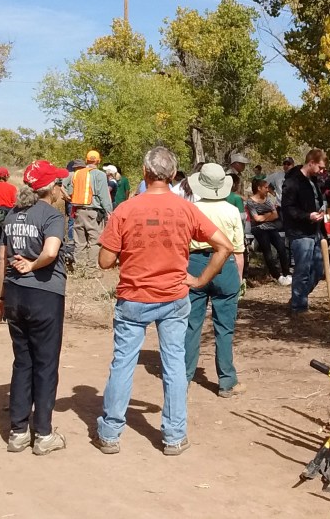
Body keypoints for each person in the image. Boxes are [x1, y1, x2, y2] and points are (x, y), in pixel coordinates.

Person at [94, 147, 233, 456]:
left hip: (133, 297)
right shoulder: (185, 209)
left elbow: (104, 261)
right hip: (173, 296)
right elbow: (224, 245)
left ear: (145, 173)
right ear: (173, 176)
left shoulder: (127, 209)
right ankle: (173, 435)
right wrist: (199, 280)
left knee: (123, 363)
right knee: (173, 364)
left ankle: (110, 432)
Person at [0, 160, 70, 455]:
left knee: (22, 361)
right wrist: (33, 264)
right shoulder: (51, 216)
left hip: (14, 296)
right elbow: (51, 252)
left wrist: (2, 296)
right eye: (58, 183)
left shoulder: (12, 215)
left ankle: (17, 431)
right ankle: (43, 434)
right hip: (44, 297)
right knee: (46, 364)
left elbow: (1, 258)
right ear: (50, 187)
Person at [184, 164, 246, 397]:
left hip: (195, 263)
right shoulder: (231, 210)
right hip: (225, 265)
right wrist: (237, 278)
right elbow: (237, 249)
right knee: (224, 328)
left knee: (191, 325)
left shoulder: (191, 209)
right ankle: (227, 381)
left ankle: (184, 377)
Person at [281, 149, 327, 314]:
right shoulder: (292, 181)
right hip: (300, 232)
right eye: (320, 167)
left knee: (319, 269)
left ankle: (298, 298)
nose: (322, 171)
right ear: (311, 162)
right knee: (302, 270)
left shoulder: (314, 181)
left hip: (316, 230)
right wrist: (307, 216)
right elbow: (287, 209)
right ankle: (299, 307)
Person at [63, 150, 112, 273]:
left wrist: (70, 199)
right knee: (94, 241)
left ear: (86, 160)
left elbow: (68, 191)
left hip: (78, 211)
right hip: (93, 213)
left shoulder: (77, 174)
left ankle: (79, 268)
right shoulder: (100, 175)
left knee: (80, 241)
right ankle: (90, 270)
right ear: (98, 161)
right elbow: (104, 195)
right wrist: (109, 212)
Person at [247, 179, 291, 285]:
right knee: (268, 252)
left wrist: (264, 216)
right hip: (259, 230)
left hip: (271, 227)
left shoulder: (268, 199)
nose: (267, 190)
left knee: (282, 248)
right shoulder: (250, 201)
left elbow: (275, 215)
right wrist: (268, 215)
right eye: (265, 188)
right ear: (259, 188)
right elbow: (256, 219)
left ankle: (286, 273)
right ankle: (277, 275)